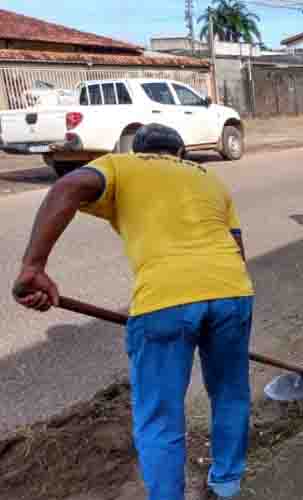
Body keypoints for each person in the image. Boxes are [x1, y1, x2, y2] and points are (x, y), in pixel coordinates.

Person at [13, 124, 255, 500]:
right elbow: (237, 248)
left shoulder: (122, 165)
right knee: (230, 393)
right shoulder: (210, 179)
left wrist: (33, 267)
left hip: (165, 299)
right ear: (182, 155)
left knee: (160, 416)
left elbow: (66, 188)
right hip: (232, 292)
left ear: (138, 148)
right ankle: (226, 484)